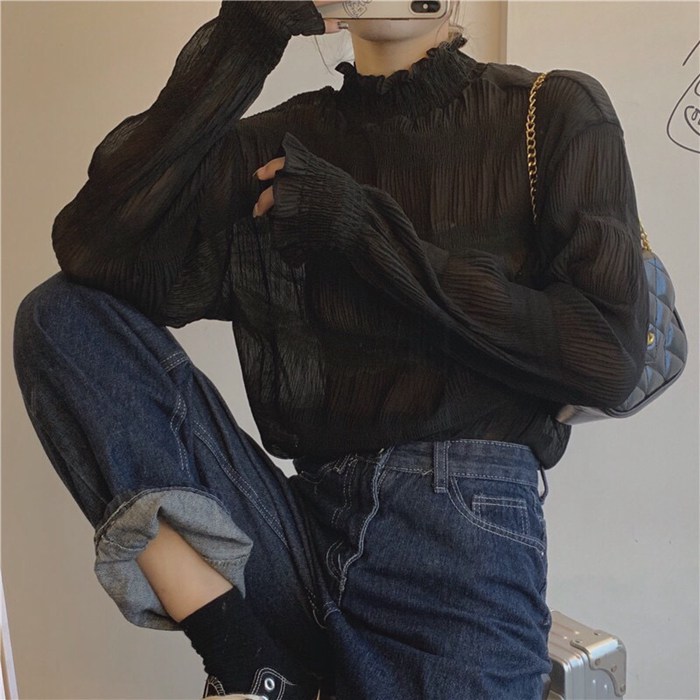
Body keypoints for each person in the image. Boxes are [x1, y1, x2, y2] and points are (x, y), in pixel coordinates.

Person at [13, 1, 648, 698]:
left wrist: (361, 230)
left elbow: (608, 358)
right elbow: (95, 246)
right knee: (59, 319)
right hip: (302, 530)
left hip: (457, 548)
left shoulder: (551, 112)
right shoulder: (279, 144)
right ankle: (244, 657)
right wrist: (247, 33)